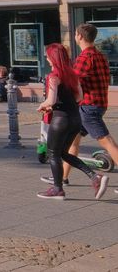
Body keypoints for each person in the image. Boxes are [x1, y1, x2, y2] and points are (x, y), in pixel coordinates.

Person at [36, 43, 109, 200]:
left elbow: (51, 99)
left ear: (53, 58)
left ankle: (57, 189)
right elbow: (79, 98)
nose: (46, 58)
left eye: (48, 56)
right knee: (63, 153)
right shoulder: (72, 74)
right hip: (76, 118)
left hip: (60, 120)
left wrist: (43, 106)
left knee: (53, 153)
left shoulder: (53, 76)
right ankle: (95, 177)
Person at [59, 23, 118, 194]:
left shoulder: (85, 58)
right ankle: (62, 177)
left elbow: (72, 81)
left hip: (89, 107)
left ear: (79, 36)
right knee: (73, 142)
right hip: (97, 105)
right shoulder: (100, 56)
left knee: (108, 142)